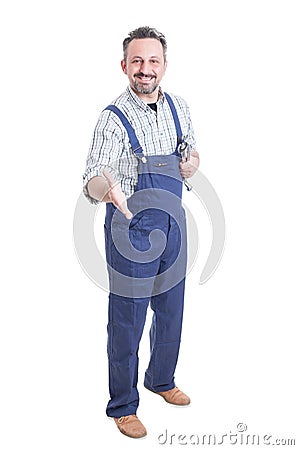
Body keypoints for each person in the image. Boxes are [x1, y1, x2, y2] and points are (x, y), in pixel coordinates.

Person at [83, 26, 199, 439]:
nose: (145, 69)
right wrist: (108, 188)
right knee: (127, 319)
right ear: (124, 66)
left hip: (174, 223)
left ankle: (161, 380)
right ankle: (123, 406)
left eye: (152, 61)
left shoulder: (179, 107)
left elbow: (191, 153)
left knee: (172, 309)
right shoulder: (113, 117)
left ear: (163, 65)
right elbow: (92, 177)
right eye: (137, 61)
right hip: (129, 225)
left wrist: (192, 163)